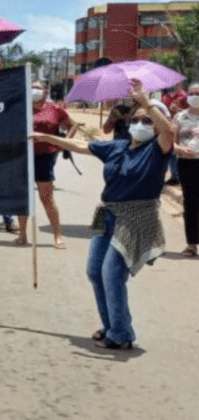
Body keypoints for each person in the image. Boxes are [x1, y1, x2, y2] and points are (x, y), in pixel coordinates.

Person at [31, 79, 171, 350]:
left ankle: (121, 333)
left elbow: (168, 131)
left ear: (156, 126)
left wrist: (146, 103)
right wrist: (47, 137)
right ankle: (111, 325)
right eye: (136, 119)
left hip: (136, 217)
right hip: (106, 213)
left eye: (148, 121)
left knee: (112, 272)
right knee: (95, 271)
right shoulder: (118, 147)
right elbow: (82, 146)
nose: (141, 124)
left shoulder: (158, 149)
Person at [16, 80, 80, 249]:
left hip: (45, 156)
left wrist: (64, 143)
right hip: (24, 156)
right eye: (32, 87)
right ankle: (22, 234)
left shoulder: (55, 109)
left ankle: (57, 235)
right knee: (23, 196)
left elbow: (73, 125)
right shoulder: (22, 107)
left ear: (46, 91)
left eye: (38, 87)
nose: (34, 90)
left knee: (47, 198)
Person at [174, 81, 199, 257]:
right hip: (187, 164)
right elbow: (171, 143)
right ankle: (191, 245)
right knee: (190, 204)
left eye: (198, 94)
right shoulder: (179, 117)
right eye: (191, 93)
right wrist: (180, 150)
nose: (195, 97)